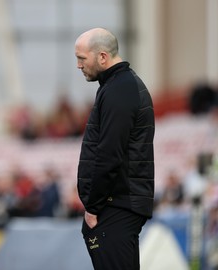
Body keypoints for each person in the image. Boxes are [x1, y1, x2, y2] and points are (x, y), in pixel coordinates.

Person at [75, 28, 155, 270]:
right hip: (118, 204)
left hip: (116, 205)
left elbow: (110, 154)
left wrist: (93, 207)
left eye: (82, 58)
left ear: (102, 57)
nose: (78, 65)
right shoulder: (118, 85)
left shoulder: (120, 89)